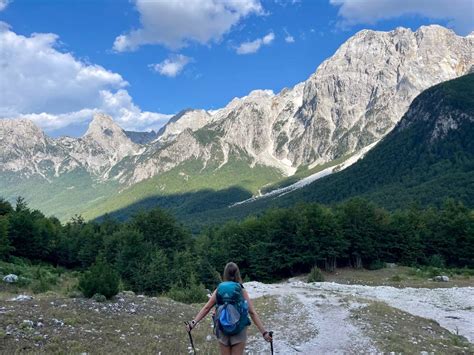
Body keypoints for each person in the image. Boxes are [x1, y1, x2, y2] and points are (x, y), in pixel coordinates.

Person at [185, 262, 272, 355]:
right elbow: (252, 312)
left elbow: (207, 307)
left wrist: (193, 323)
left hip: (223, 329)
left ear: (225, 274)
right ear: (237, 273)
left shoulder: (220, 288)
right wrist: (264, 333)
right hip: (239, 330)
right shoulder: (241, 289)